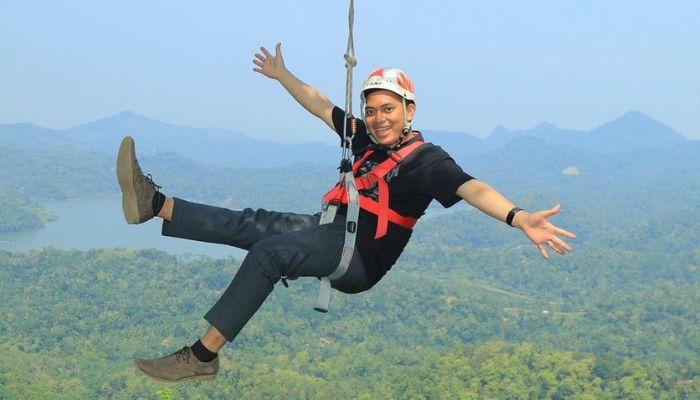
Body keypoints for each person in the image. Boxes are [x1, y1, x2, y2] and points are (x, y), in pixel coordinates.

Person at [121, 43, 575, 383]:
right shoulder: (365, 139)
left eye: (389, 109)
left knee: (269, 252)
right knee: (253, 222)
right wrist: (283, 75)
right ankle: (156, 205)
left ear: (409, 111)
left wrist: (518, 217)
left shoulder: (427, 160)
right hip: (334, 230)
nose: (378, 118)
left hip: (359, 259)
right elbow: (322, 106)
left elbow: (471, 188)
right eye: (372, 110)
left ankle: (202, 357)